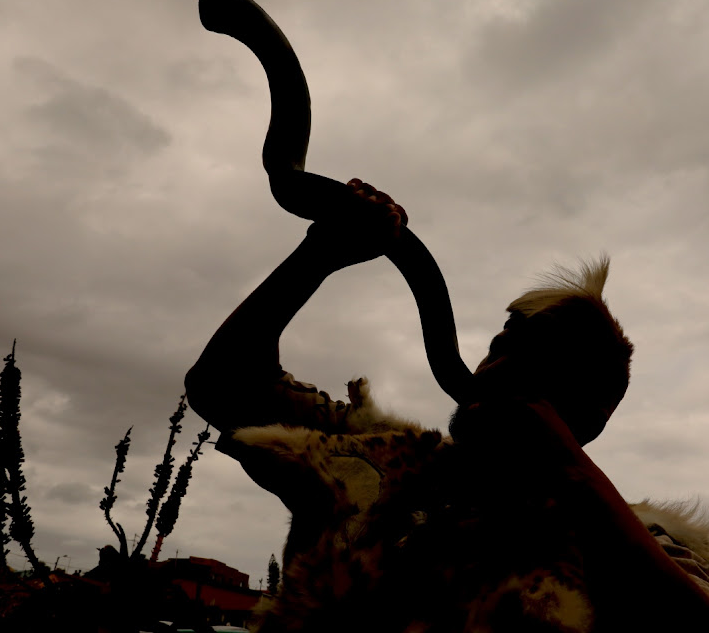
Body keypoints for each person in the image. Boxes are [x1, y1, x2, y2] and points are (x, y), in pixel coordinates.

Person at [185, 180, 709, 632]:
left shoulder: (633, 544)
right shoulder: (383, 462)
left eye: (543, 365)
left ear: (592, 416)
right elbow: (223, 385)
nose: (499, 370)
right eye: (503, 346)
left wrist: (568, 469)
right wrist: (323, 250)